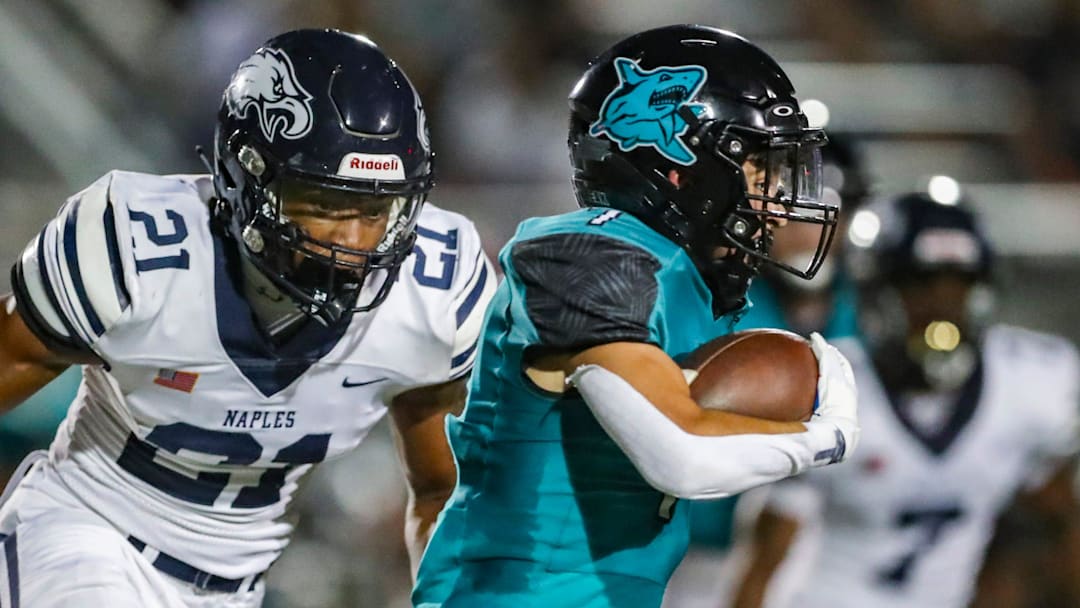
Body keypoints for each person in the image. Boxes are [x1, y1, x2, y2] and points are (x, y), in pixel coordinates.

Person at [0, 28, 495, 608]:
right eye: (325, 204)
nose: (354, 241)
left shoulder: (434, 292)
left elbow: (443, 491)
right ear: (243, 177)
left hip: (239, 587)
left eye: (376, 208)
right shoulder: (138, 253)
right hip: (86, 537)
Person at [412, 25, 860, 608]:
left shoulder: (698, 286)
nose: (778, 193)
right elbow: (679, 453)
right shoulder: (588, 255)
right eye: (758, 166)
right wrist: (825, 435)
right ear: (682, 162)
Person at [730, 192, 1080, 608]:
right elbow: (763, 565)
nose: (942, 306)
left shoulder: (1028, 384)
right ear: (878, 293)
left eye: (960, 284)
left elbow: (1057, 520)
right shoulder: (831, 388)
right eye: (920, 285)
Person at [664, 134, 873, 608]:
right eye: (789, 212)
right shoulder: (712, 302)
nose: (805, 231)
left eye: (822, 212)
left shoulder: (877, 315)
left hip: (838, 564)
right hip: (700, 556)